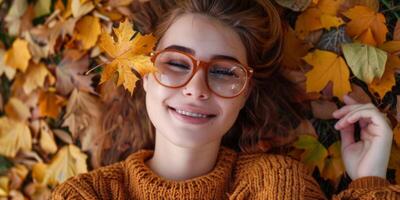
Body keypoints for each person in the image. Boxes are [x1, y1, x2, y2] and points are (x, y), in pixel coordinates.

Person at [51, 0, 400, 199]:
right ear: (144, 75)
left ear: (245, 92)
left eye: (224, 72)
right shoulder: (86, 195)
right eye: (175, 63)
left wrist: (369, 182)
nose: (196, 88)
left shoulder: (274, 186)